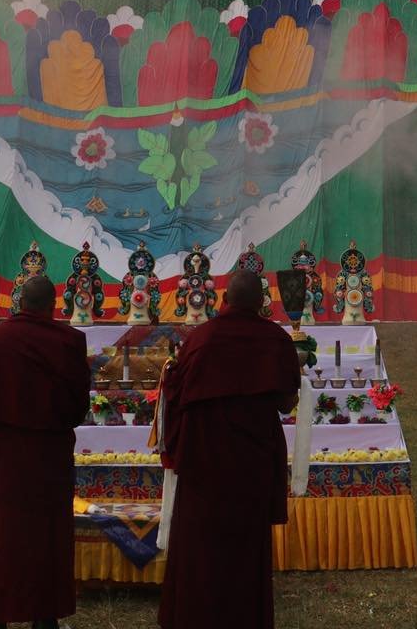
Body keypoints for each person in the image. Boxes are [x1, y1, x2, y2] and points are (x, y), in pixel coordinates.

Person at [158, 268, 301, 629]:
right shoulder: (275, 340)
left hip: (203, 466)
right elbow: (286, 403)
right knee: (245, 552)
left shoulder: (201, 339)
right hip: (251, 467)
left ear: (222, 299)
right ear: (262, 303)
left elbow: (176, 397)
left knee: (200, 549)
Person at [0, 273, 91, 629]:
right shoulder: (68, 342)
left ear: (19, 303)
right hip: (48, 462)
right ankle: (45, 620)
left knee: (3, 540)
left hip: (5, 463)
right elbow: (77, 408)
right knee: (47, 540)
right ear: (53, 306)